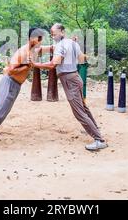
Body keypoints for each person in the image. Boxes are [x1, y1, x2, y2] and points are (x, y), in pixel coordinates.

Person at [30, 23, 108, 151]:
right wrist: (39, 49)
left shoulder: (62, 45)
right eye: (51, 34)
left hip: (69, 80)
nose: (53, 36)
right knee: (84, 108)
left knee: (79, 112)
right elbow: (81, 58)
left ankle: (99, 139)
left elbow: (52, 65)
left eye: (54, 33)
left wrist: (35, 64)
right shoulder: (71, 43)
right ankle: (94, 129)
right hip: (75, 78)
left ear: (62, 32)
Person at [0, 28, 45, 148]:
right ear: (31, 39)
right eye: (39, 38)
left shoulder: (33, 50)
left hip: (15, 84)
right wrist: (26, 66)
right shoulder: (23, 52)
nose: (41, 40)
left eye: (42, 38)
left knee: (2, 110)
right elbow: (11, 70)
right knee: (0, 111)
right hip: (9, 82)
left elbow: (48, 48)